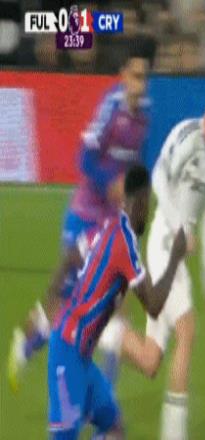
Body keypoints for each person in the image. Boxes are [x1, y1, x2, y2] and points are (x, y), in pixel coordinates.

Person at [7, 43, 151, 392]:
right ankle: (25, 343)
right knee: (65, 303)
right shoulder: (111, 108)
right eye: (135, 76)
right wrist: (110, 184)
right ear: (123, 76)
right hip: (86, 215)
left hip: (112, 222)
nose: (140, 84)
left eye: (144, 77)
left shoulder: (145, 115)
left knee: (117, 303)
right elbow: (84, 160)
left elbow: (135, 165)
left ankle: (104, 393)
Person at [103, 75, 205, 440]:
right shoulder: (186, 135)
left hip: (178, 255)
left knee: (150, 360)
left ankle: (107, 332)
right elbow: (160, 179)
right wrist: (179, 227)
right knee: (187, 330)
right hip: (164, 243)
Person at [47, 165, 187, 439]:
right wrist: (174, 258)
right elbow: (154, 306)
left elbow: (73, 253)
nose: (148, 211)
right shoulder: (125, 242)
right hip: (67, 352)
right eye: (148, 203)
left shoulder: (109, 226)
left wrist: (54, 296)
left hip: (81, 355)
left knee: (114, 427)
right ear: (141, 200)